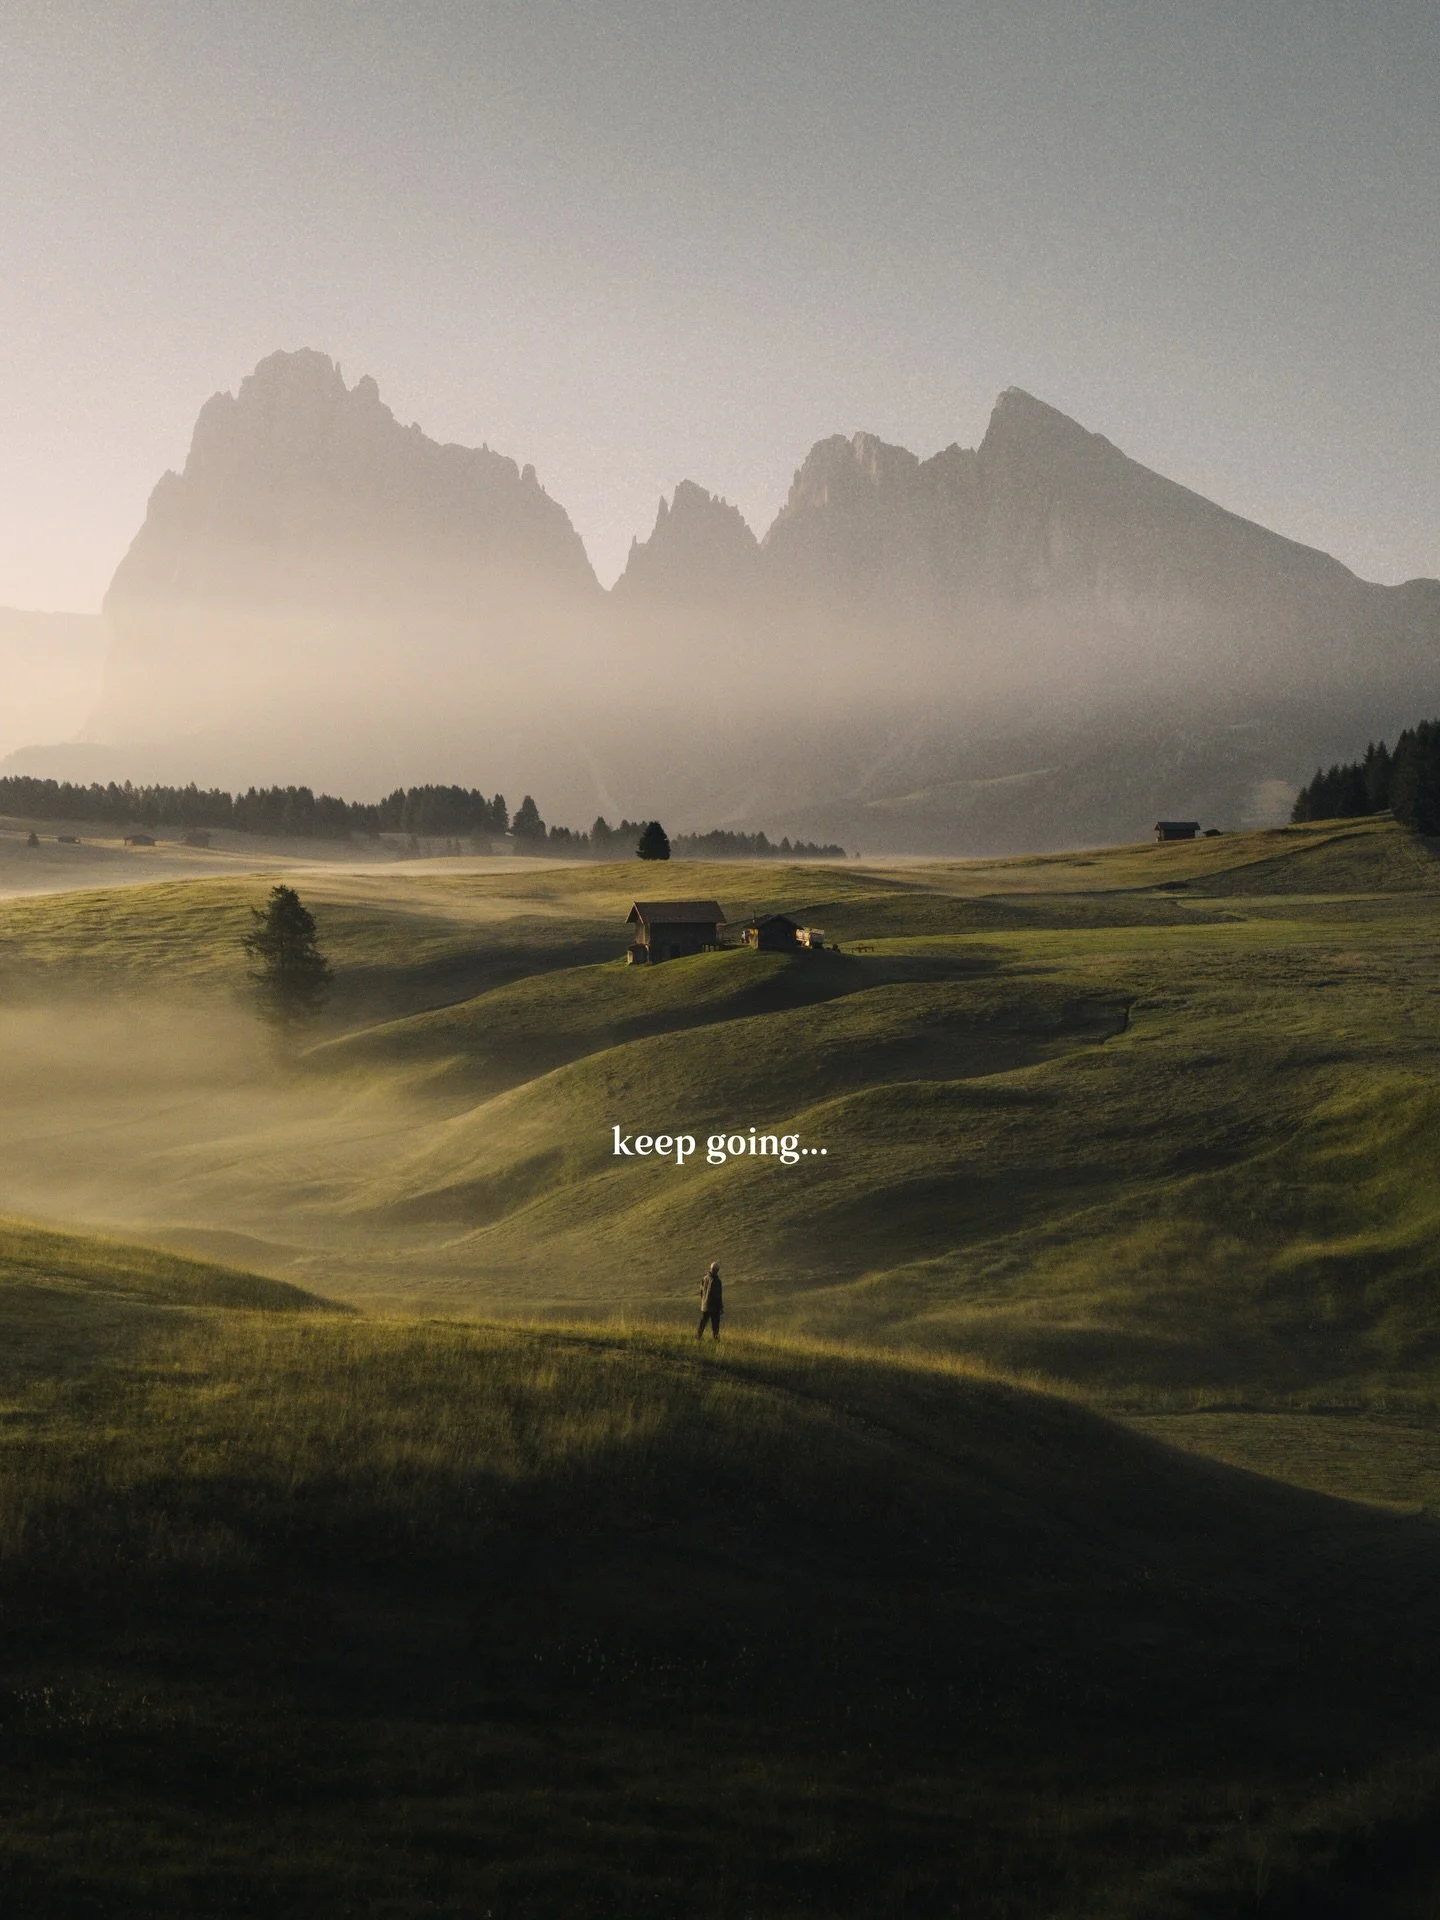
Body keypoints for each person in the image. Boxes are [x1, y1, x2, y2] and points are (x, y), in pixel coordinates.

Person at [697, 1259, 723, 1340]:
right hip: (714, 1308)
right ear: (717, 1270)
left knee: (703, 1322)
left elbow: (701, 1292)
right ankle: (716, 1340)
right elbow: (718, 1296)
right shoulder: (717, 1281)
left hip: (704, 1306)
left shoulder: (704, 1278)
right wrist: (720, 1307)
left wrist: (703, 1302)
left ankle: (698, 1337)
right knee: (715, 1325)